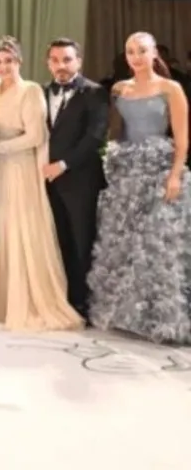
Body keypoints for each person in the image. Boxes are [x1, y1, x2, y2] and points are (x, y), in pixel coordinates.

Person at [88, 32, 191, 344]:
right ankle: (125, 315)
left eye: (142, 51)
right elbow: (116, 132)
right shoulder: (119, 89)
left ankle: (159, 319)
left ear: (154, 53)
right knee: (125, 243)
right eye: (131, 51)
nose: (136, 57)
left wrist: (175, 175)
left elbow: (182, 139)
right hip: (126, 173)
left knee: (157, 245)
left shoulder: (171, 88)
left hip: (159, 170)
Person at [0, 36, 82, 331]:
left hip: (20, 169)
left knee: (21, 229)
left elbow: (35, 136)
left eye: (9, 61)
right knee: (3, 231)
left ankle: (29, 301)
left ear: (19, 61)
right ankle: (6, 298)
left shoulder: (30, 90)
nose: (3, 66)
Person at [41, 38, 108, 320]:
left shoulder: (95, 93)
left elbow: (94, 137)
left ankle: (84, 304)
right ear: (48, 63)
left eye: (67, 59)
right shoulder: (41, 92)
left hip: (80, 180)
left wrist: (63, 165)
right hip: (46, 181)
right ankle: (62, 300)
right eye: (55, 60)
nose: (61, 66)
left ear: (78, 61)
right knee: (57, 242)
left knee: (82, 241)